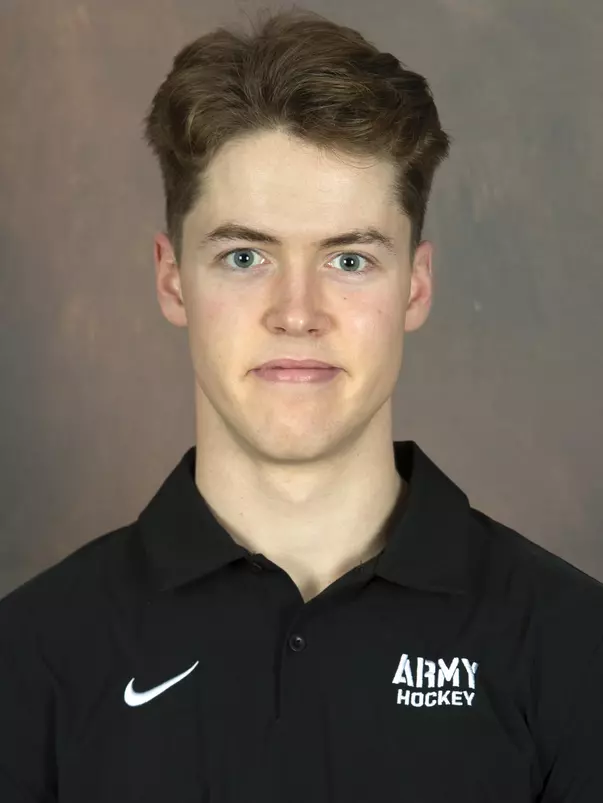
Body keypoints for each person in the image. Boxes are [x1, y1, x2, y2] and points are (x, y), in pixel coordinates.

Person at [1, 6, 602, 802]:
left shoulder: (572, 645)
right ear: (172, 276)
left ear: (414, 284)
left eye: (349, 258)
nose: (296, 309)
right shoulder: (31, 654)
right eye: (244, 255)